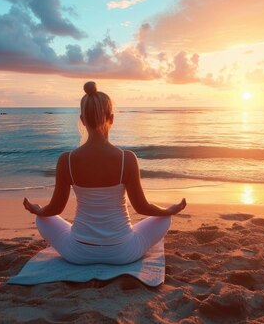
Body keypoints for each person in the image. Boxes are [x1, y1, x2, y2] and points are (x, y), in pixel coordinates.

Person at [22, 81, 186, 265]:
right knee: (164, 219)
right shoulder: (127, 158)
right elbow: (141, 207)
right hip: (123, 252)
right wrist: (167, 210)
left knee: (42, 219)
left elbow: (55, 209)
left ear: (82, 120)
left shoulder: (66, 160)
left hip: (78, 252)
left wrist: (38, 210)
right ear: (112, 118)